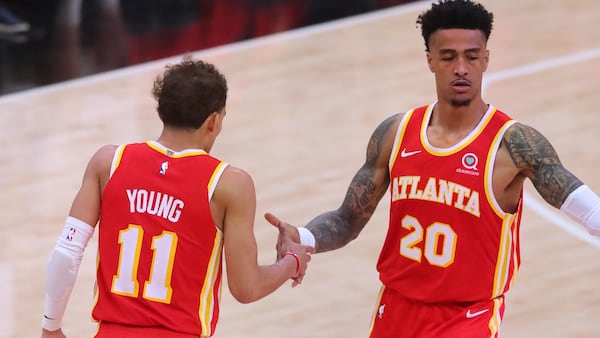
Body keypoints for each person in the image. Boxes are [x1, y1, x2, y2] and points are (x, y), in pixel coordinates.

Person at [267, 0, 600, 337]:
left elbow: (590, 212)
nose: (460, 68)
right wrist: (304, 237)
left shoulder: (514, 144)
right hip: (395, 310)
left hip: (467, 319)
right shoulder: (396, 133)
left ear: (486, 59)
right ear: (430, 60)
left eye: (471, 56)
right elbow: (347, 220)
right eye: (448, 56)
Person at [41, 55, 314, 338]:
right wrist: (292, 261)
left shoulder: (109, 162)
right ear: (213, 121)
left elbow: (67, 252)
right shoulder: (229, 184)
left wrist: (51, 327)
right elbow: (246, 288)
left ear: (162, 112)